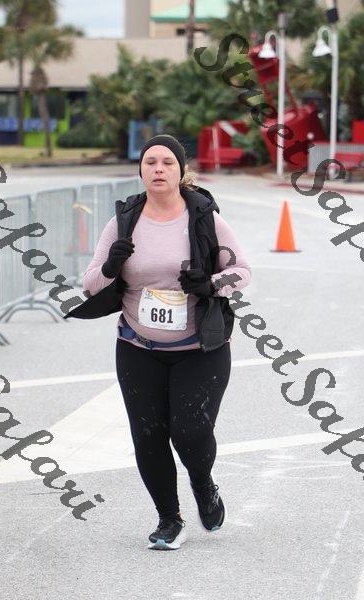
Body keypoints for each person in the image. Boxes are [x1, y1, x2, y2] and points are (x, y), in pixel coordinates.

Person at [83, 134, 252, 550]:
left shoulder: (205, 218)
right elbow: (90, 285)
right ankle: (168, 519)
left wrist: (210, 283)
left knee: (191, 433)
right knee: (148, 437)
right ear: (141, 171)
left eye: (167, 163)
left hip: (200, 349)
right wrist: (112, 265)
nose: (158, 169)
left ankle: (203, 483)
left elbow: (242, 272)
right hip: (138, 347)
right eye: (150, 162)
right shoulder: (123, 222)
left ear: (180, 171)